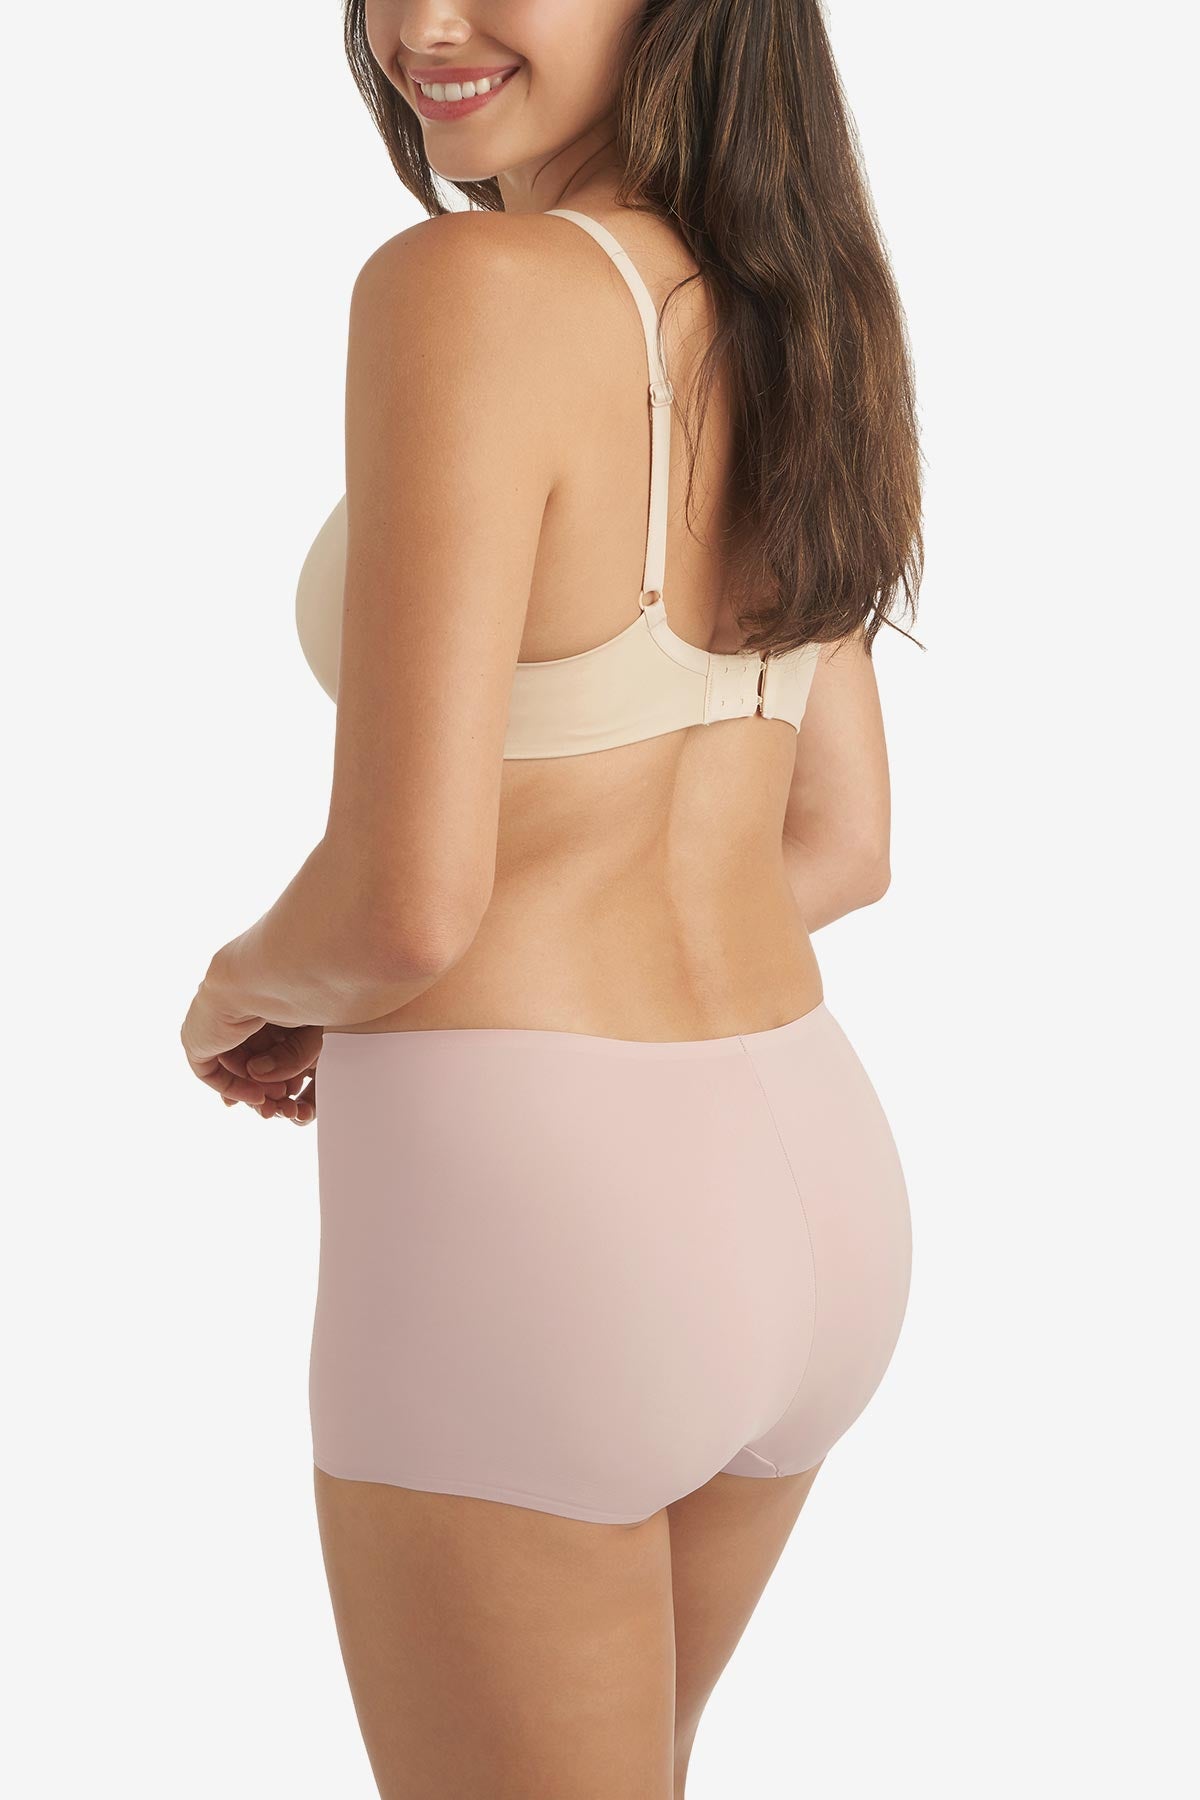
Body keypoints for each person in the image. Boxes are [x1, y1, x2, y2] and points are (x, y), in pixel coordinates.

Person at [180, 2, 924, 1792]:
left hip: (537, 1228)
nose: (423, 23)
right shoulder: (796, 302)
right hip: (812, 1172)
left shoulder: (470, 290)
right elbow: (843, 841)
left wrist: (238, 985)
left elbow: (403, 905)